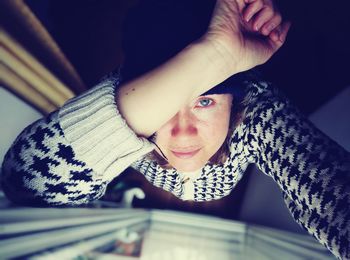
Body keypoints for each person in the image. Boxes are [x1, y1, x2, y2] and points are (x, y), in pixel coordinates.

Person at [1, 0, 349, 258]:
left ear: (236, 101)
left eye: (206, 101)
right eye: (165, 104)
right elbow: (25, 182)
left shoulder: (257, 112)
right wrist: (212, 56)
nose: (182, 134)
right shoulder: (127, 98)